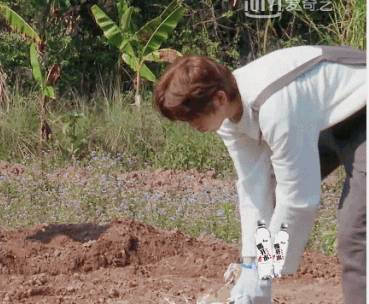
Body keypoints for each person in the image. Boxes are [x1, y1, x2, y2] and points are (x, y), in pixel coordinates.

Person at [153, 46, 366, 304]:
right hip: (328, 119)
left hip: (360, 109)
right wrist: (250, 263)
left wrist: (264, 272)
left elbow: (299, 197)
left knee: (356, 234)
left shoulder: (276, 106)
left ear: (219, 98)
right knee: (271, 182)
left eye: (194, 117)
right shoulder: (231, 115)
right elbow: (254, 187)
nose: (193, 127)